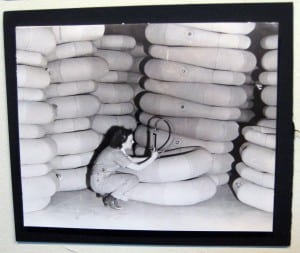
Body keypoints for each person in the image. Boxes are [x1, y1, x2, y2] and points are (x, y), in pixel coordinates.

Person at [87, 126, 158, 210]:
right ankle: (111, 197)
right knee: (133, 179)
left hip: (98, 179)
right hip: (100, 182)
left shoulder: (115, 149)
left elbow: (131, 159)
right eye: (130, 140)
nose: (133, 142)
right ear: (122, 141)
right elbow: (138, 168)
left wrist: (148, 157)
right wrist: (152, 158)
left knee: (124, 177)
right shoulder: (116, 153)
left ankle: (106, 193)